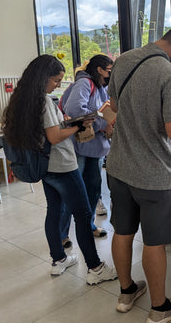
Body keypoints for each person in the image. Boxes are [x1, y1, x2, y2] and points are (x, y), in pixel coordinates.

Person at [106, 19, 171, 320]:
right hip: (155, 175)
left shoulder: (124, 60)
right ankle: (159, 308)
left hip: (119, 166)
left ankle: (126, 292)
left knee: (122, 231)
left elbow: (113, 106)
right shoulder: (169, 75)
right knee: (154, 241)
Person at [2, 55, 117, 284]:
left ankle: (58, 260)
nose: (58, 85)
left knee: (54, 212)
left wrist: (66, 124)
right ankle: (95, 267)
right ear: (43, 78)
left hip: (45, 166)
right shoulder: (44, 101)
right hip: (62, 165)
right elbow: (54, 136)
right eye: (56, 80)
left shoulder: (22, 100)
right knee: (84, 215)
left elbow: (47, 131)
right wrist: (76, 126)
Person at [59, 54, 114, 248]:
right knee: (73, 192)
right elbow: (74, 109)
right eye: (109, 70)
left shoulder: (102, 88)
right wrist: (101, 124)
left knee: (93, 190)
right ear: (99, 69)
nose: (110, 74)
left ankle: (88, 225)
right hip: (82, 147)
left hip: (97, 149)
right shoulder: (85, 83)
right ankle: (62, 234)